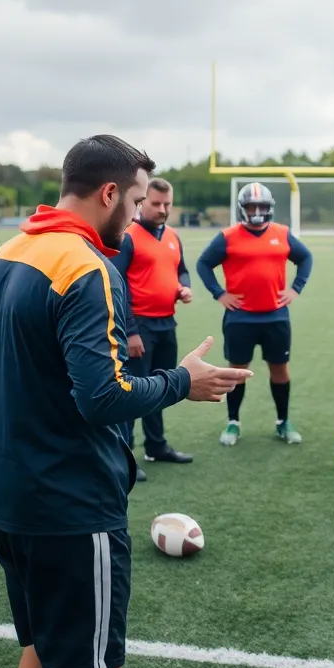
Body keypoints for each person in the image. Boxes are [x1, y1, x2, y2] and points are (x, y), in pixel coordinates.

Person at [0, 135, 252, 668]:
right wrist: (183, 381)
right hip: (68, 502)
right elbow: (102, 397)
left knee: (44, 647)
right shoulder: (86, 266)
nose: (138, 214)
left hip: (5, 494)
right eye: (138, 198)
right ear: (109, 193)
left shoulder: (8, 252)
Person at [195, 182, 314, 447]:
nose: (257, 211)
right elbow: (203, 263)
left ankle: (283, 421)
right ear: (243, 209)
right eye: (252, 206)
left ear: (270, 208)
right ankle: (233, 422)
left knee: (280, 371)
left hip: (276, 317)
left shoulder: (282, 233)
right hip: (240, 318)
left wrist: (295, 289)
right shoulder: (228, 236)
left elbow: (305, 258)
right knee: (237, 372)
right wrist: (219, 293)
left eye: (261, 206)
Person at [111, 177, 195, 479]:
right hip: (139, 327)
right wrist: (131, 331)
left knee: (159, 388)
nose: (162, 209)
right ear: (142, 202)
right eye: (156, 203)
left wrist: (183, 287)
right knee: (132, 391)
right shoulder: (129, 236)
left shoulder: (172, 235)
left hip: (166, 323)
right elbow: (117, 284)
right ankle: (123, 458)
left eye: (167, 204)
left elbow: (181, 270)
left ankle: (156, 446)